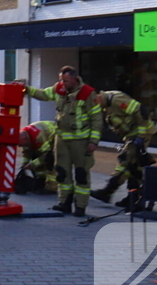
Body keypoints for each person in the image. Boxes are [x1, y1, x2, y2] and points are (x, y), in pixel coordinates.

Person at [17, 66, 102, 217]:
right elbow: (43, 94)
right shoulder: (59, 89)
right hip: (61, 140)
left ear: (75, 79)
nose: (63, 83)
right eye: (61, 80)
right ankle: (64, 203)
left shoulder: (88, 93)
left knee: (81, 174)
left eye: (66, 81)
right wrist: (26, 89)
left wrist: (94, 140)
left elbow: (96, 119)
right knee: (62, 173)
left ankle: (80, 206)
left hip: (81, 141)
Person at [90, 91, 157, 209]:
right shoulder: (106, 106)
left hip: (140, 134)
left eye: (94, 103)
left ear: (98, 97)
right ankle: (133, 197)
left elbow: (141, 111)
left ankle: (108, 191)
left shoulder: (115, 99)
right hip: (131, 136)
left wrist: (140, 137)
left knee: (125, 162)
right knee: (134, 166)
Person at [16, 120, 59, 195]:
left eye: (20, 144)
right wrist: (24, 165)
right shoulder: (24, 135)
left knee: (50, 160)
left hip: (56, 138)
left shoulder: (38, 137)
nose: (19, 146)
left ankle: (52, 187)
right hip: (44, 140)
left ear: (24, 139)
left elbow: (46, 155)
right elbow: (27, 152)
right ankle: (42, 180)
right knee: (35, 157)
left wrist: (31, 165)